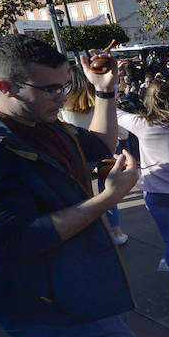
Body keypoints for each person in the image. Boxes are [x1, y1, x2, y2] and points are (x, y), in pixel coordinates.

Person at [0, 35, 159, 337]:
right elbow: (21, 238)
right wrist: (107, 199)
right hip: (44, 302)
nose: (61, 97)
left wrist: (105, 91)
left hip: (83, 280)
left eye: (64, 85)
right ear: (6, 87)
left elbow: (98, 145)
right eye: (50, 89)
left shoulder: (45, 123)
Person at [117, 81, 169, 308]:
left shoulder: (142, 124)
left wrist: (110, 84)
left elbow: (114, 112)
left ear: (147, 102)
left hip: (155, 192)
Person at [60, 64, 129, 246]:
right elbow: (122, 133)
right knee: (108, 194)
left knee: (83, 198)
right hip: (105, 154)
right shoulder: (100, 104)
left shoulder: (63, 107)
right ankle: (117, 232)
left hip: (79, 156)